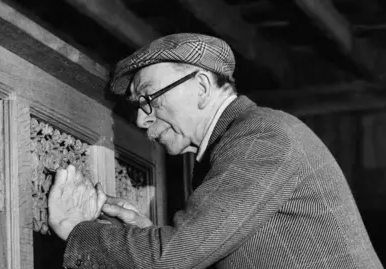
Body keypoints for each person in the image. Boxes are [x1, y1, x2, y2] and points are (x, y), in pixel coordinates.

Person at [47, 33, 383, 269]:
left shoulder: (261, 137)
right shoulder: (232, 147)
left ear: (203, 87)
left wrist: (77, 229)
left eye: (148, 97)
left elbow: (171, 258)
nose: (140, 116)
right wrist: (149, 234)